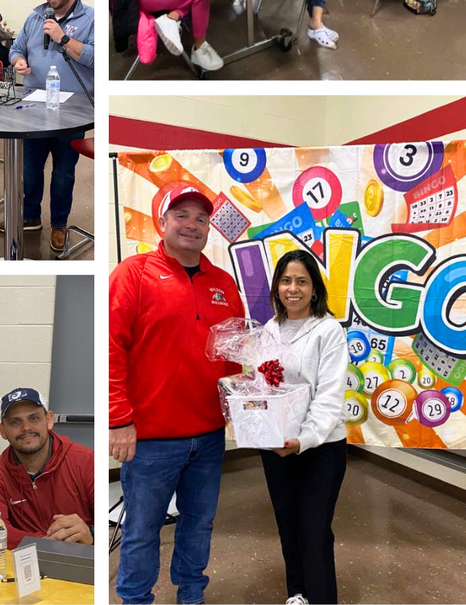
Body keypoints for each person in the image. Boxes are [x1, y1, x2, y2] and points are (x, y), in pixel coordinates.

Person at [109, 184, 245, 605]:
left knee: (198, 524)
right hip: (149, 438)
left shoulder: (223, 282)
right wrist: (119, 420)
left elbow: (235, 354)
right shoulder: (133, 273)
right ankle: (135, 599)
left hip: (207, 436)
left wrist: (246, 405)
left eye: (201, 219)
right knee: (142, 531)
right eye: (181, 215)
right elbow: (110, 349)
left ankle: (191, 595)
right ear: (162, 222)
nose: (192, 225)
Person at [259, 249, 348, 605]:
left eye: (301, 281)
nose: (292, 289)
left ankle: (322, 597)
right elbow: (262, 388)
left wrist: (303, 439)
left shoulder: (328, 330)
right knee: (287, 524)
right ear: (276, 287)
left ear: (314, 288)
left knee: (314, 529)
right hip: (277, 446)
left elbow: (329, 398)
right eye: (285, 280)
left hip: (320, 447)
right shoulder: (268, 330)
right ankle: (297, 592)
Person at [6, 0, 94, 251]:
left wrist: (63, 38)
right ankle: (30, 216)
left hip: (72, 110)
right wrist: (18, 61)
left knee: (63, 173)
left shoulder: (90, 18)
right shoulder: (35, 16)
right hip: (33, 105)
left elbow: (95, 58)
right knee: (30, 168)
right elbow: (16, 47)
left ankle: (59, 224)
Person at [0, 388, 94, 548]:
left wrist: (90, 533)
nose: (26, 428)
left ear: (49, 420)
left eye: (34, 418)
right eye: (15, 422)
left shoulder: (86, 461)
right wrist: (48, 544)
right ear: (2, 430)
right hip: (22, 564)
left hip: (78, 560)